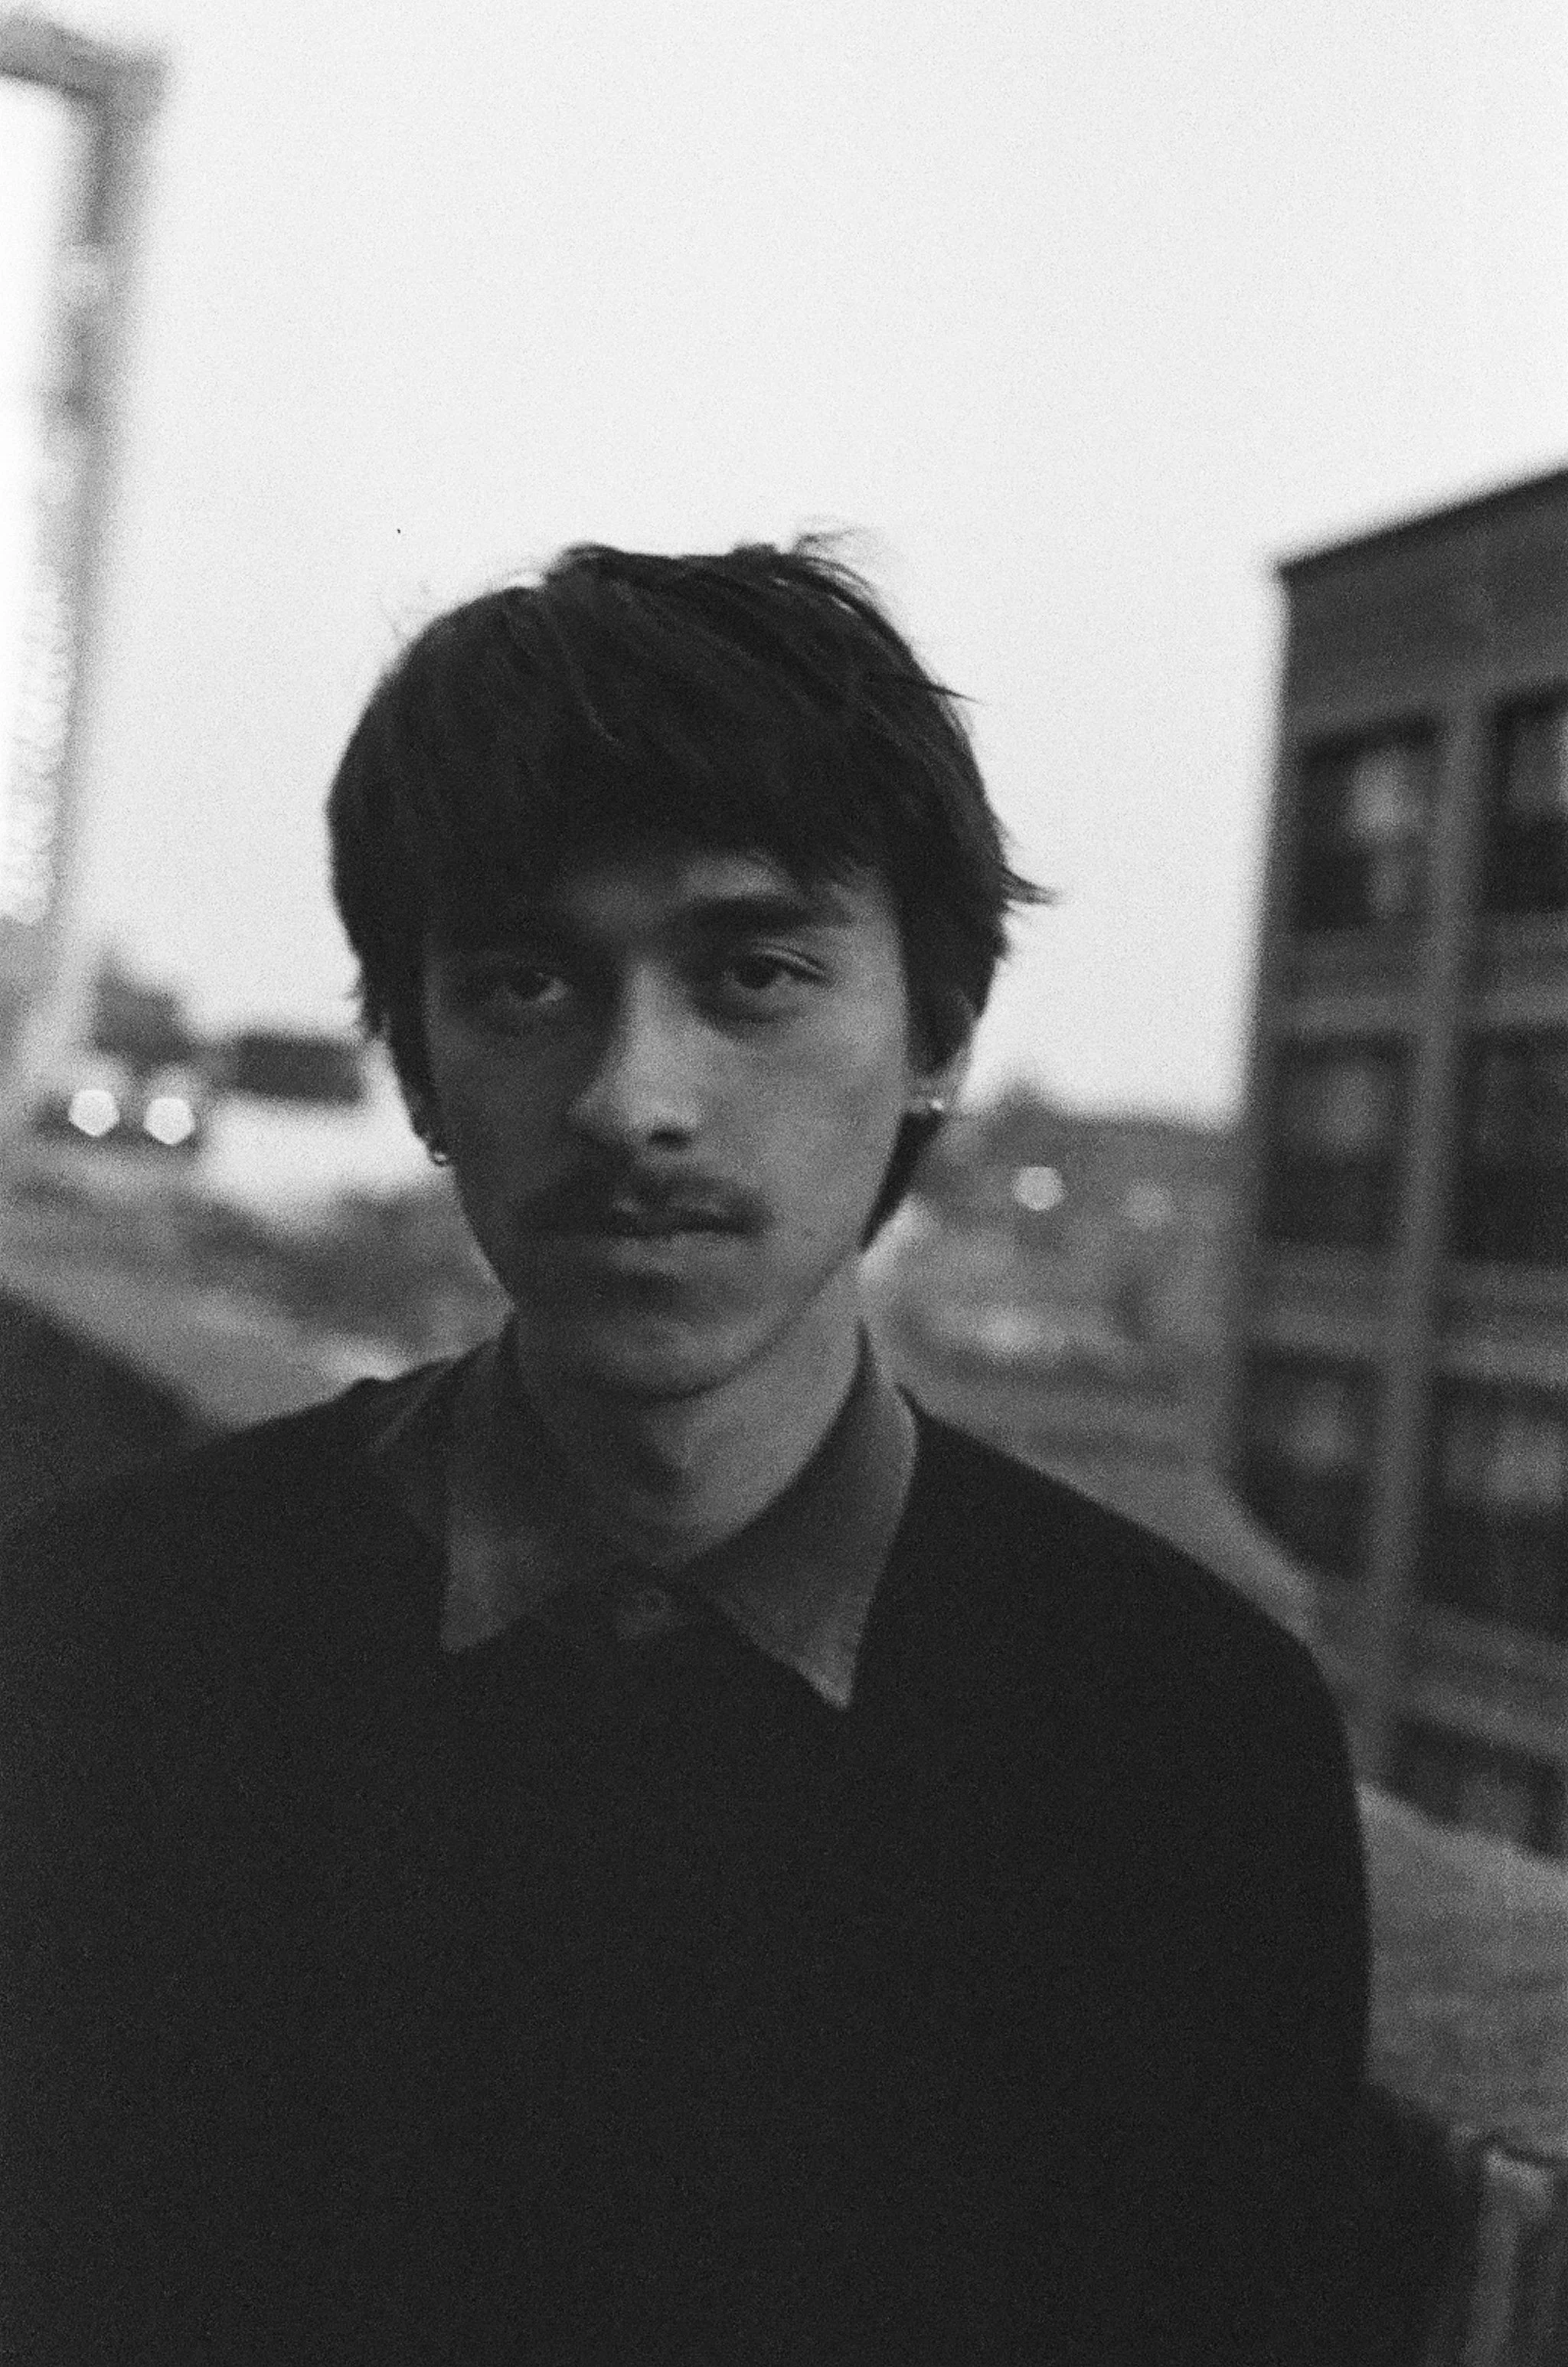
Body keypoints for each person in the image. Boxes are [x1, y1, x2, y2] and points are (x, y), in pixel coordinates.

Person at [2, 538, 1370, 2365]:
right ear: (412, 1059)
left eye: (753, 975)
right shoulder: (111, 1649)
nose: (634, 1101)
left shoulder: (1182, 1749)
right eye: (523, 986)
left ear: (938, 1033)